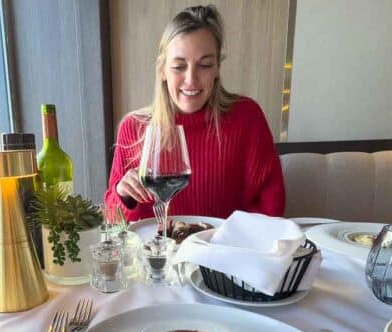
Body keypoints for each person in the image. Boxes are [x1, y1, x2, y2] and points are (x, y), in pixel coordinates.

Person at [104, 4, 286, 221]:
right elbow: (113, 220)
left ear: (217, 68)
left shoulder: (247, 118)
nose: (191, 79)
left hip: (227, 251)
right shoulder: (133, 128)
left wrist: (220, 241)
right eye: (179, 66)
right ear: (162, 70)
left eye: (205, 65)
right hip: (157, 254)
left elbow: (272, 205)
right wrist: (123, 196)